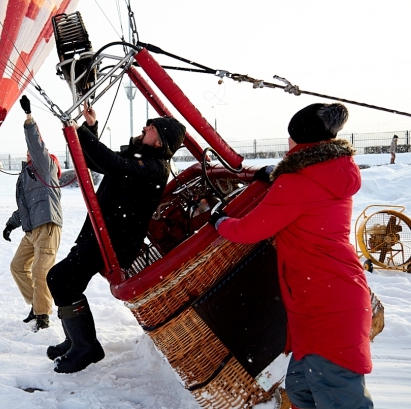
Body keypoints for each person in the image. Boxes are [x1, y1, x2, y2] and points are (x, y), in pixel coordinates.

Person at [209, 103, 373, 409]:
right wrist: (273, 176)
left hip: (326, 305)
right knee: (301, 391)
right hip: (328, 296)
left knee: (336, 396)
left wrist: (218, 222)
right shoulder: (326, 172)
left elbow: (249, 230)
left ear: (299, 139)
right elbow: (299, 196)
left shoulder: (298, 182)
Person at [46, 102, 186, 374]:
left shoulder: (154, 167)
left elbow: (111, 163)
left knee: (60, 279)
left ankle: (86, 347)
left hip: (114, 241)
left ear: (160, 141)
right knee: (66, 282)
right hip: (101, 234)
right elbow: (95, 161)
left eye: (152, 127)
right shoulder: (139, 156)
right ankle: (76, 340)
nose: (146, 127)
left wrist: (76, 131)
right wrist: (89, 128)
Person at [3, 95, 63, 332]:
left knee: (40, 271)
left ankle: (43, 315)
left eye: (34, 153)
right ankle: (37, 304)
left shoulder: (45, 166)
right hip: (31, 231)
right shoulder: (26, 177)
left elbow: (36, 144)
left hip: (48, 226)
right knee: (17, 266)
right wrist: (10, 224)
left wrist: (29, 118)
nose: (30, 154)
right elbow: (24, 208)